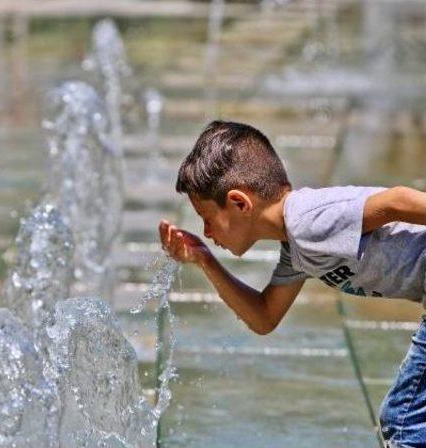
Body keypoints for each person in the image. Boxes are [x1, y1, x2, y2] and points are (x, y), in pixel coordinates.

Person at [159, 120, 426, 447]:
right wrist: (204, 260)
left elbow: (396, 201)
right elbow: (264, 316)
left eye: (208, 220)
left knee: (403, 419)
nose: (208, 232)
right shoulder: (297, 249)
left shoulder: (306, 219)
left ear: (241, 203)